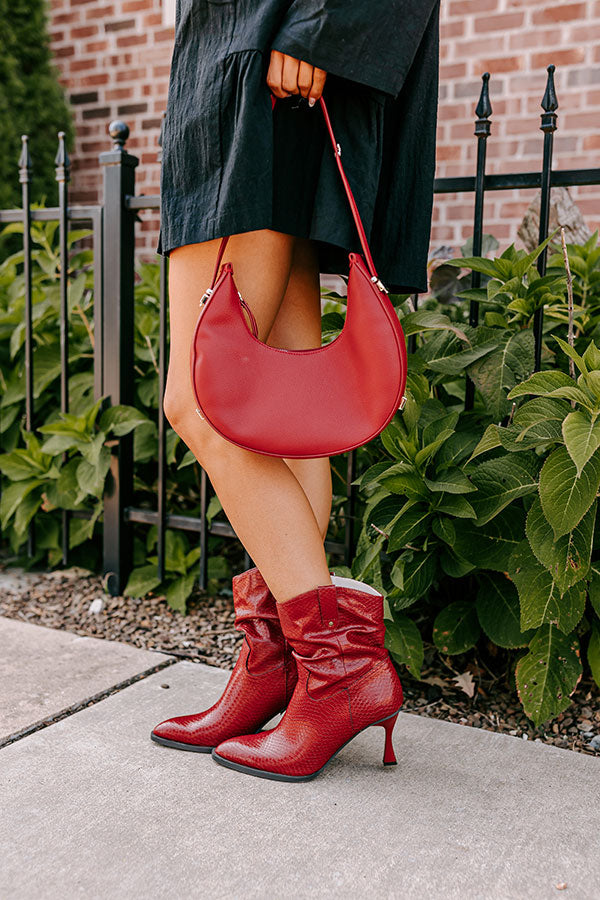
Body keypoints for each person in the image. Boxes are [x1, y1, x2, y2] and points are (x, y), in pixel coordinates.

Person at [151, 0, 441, 781]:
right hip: (250, 67)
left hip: (265, 72)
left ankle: (341, 673)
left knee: (200, 401)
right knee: (277, 409)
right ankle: (279, 665)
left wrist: (320, 25)